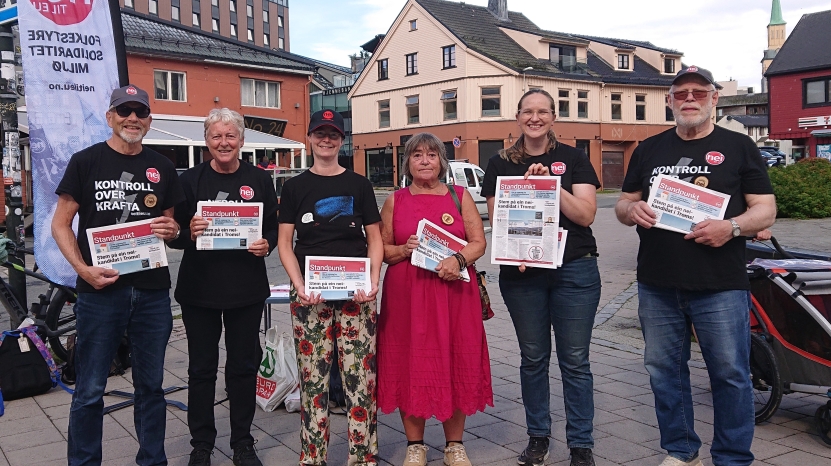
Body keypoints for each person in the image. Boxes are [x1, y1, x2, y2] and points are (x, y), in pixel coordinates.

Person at [614, 66, 776, 466]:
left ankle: (733, 457)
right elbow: (622, 204)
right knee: (664, 372)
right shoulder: (650, 149)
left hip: (720, 283)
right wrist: (632, 208)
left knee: (730, 375)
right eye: (681, 93)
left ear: (714, 99)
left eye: (698, 93)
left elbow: (766, 210)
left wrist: (732, 227)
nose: (689, 99)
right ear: (670, 100)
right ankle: (683, 452)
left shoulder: (739, 147)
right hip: (657, 282)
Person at [52, 84, 184, 466]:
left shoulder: (162, 167)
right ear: (110, 117)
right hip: (99, 293)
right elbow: (60, 224)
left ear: (149, 120)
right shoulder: (86, 161)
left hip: (152, 291)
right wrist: (82, 271)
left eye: (139, 112)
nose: (132, 118)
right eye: (123, 111)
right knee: (91, 388)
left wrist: (172, 232)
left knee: (151, 387)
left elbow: (170, 225)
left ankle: (152, 461)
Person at [481, 89, 601, 466]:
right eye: (528, 111)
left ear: (553, 117)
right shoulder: (499, 162)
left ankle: (581, 444)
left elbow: (586, 215)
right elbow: (499, 221)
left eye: (543, 112)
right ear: (518, 117)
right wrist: (510, 250)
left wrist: (550, 185)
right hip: (523, 273)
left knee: (575, 360)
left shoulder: (574, 158)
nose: (535, 118)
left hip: (574, 267)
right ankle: (538, 437)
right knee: (533, 357)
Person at [168, 109, 278, 466]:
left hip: (245, 290)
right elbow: (175, 237)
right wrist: (189, 233)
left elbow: (275, 228)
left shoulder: (260, 180)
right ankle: (201, 445)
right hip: (199, 290)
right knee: (201, 368)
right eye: (216, 136)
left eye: (230, 136)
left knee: (243, 368)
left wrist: (267, 244)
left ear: (242, 141)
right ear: (206, 141)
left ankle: (242, 444)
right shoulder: (188, 181)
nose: (224, 143)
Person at [377, 133, 492, 466]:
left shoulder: (460, 196)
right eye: (417, 156)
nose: (424, 160)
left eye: (431, 154)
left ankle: (454, 444)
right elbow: (382, 250)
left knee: (454, 360)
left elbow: (478, 242)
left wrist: (457, 260)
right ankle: (415, 445)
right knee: (409, 364)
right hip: (406, 297)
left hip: (453, 292)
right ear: (408, 163)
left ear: (442, 161)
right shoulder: (394, 201)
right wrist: (403, 249)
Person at [277, 109, 382, 465]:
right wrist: (299, 285)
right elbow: (284, 244)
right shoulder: (294, 187)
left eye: (333, 134)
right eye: (320, 133)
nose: (326, 140)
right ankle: (312, 457)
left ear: (342, 140)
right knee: (313, 382)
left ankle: (363, 457)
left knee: (360, 379)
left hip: (357, 295)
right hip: (310, 295)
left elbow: (375, 238)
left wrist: (373, 281)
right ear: (309, 139)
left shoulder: (359, 184)